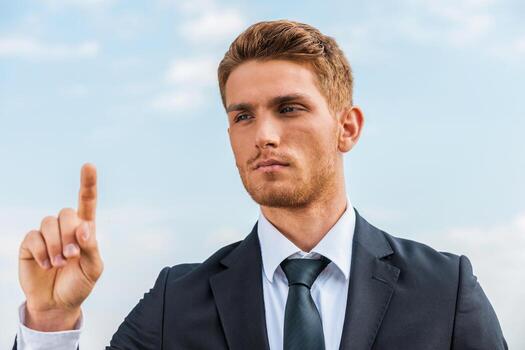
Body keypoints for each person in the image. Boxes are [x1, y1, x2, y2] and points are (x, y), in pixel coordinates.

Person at [14, 19, 508, 350]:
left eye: (289, 109)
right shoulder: (176, 300)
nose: (264, 136)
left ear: (347, 128)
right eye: (243, 116)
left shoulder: (445, 291)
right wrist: (49, 321)